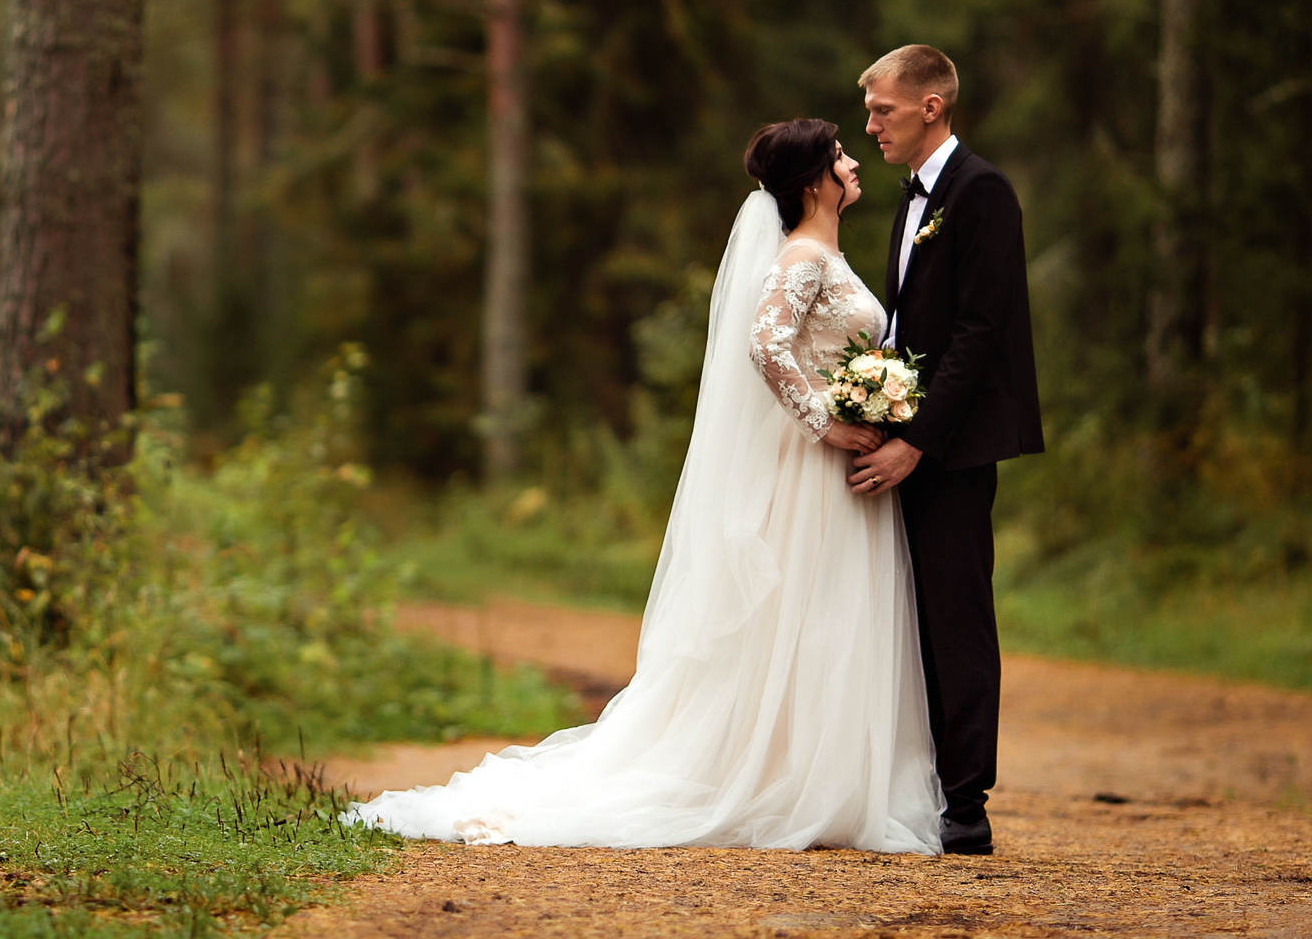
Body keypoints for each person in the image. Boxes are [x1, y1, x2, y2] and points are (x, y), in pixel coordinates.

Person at [348, 119, 942, 853]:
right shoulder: (802, 257)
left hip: (833, 469)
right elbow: (765, 343)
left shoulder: (826, 252)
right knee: (804, 613)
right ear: (814, 179)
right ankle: (779, 780)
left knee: (822, 617)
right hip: (810, 476)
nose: (855, 162)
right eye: (841, 155)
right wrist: (827, 420)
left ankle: (811, 773)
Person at [846, 45, 1043, 857]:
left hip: (955, 451)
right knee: (909, 614)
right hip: (912, 436)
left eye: (883, 110)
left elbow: (979, 334)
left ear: (931, 106)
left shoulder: (982, 192)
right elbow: (908, 325)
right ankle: (918, 786)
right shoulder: (912, 199)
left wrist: (915, 442)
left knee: (957, 615)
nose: (870, 126)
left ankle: (967, 801)